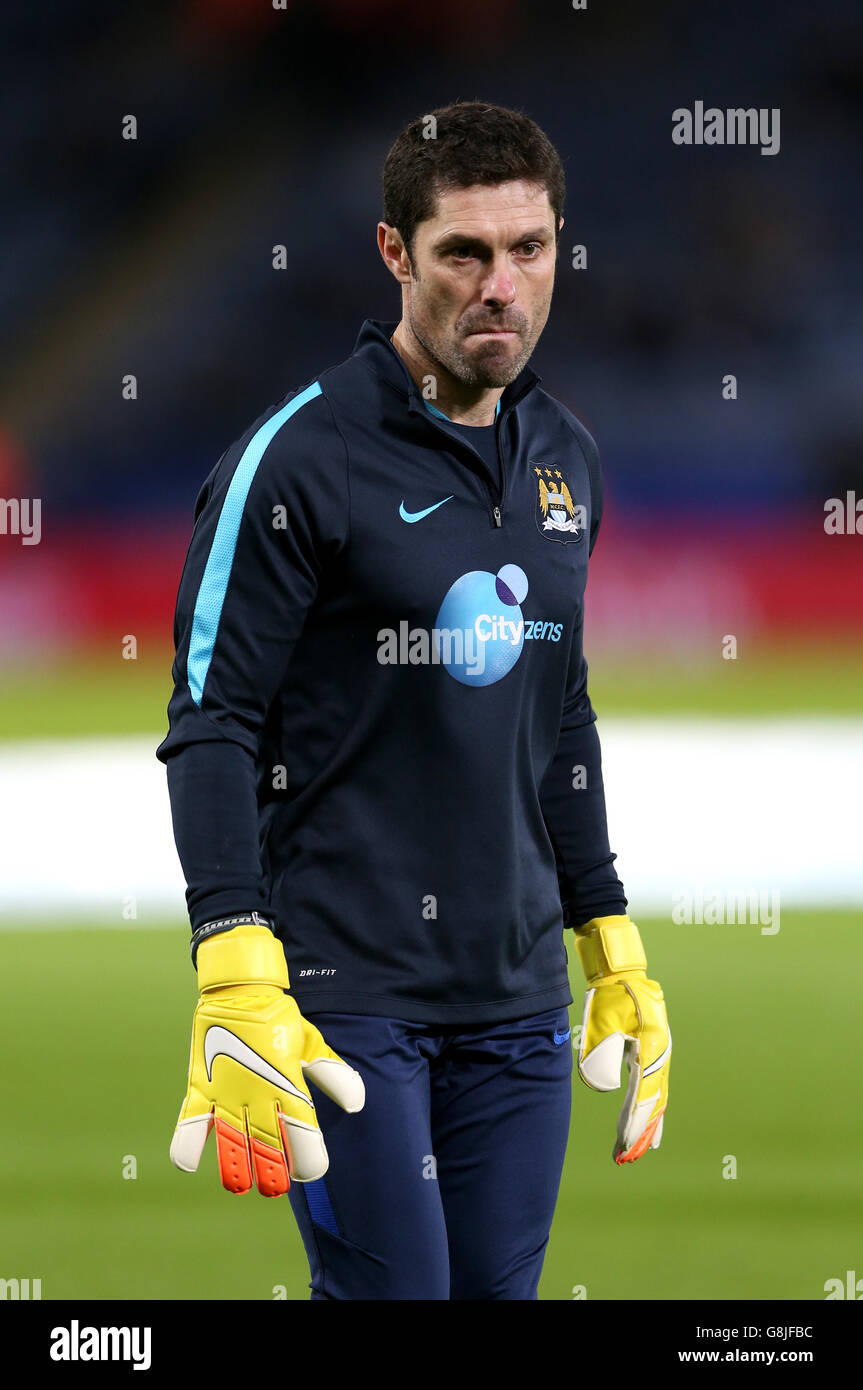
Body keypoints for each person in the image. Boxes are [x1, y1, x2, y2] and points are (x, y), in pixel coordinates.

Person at [157, 99, 671, 1301]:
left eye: (529, 249)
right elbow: (210, 721)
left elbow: (561, 712)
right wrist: (233, 954)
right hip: (344, 995)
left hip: (516, 996)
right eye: (463, 253)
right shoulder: (294, 459)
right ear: (395, 254)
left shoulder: (567, 460)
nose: (501, 285)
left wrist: (606, 936)